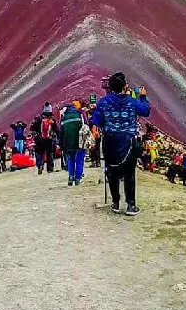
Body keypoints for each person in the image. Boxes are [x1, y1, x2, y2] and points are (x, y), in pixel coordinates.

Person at [91, 73, 151, 216]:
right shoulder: (132, 101)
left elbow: (97, 121)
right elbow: (146, 111)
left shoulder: (103, 102)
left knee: (112, 171)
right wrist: (142, 96)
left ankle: (116, 203)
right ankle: (131, 205)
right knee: (129, 173)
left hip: (109, 140)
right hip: (128, 141)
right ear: (125, 86)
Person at [59, 101, 86, 186]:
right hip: (79, 142)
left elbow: (61, 134)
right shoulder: (79, 116)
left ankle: (71, 176)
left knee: (71, 160)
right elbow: (84, 128)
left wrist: (61, 145)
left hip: (68, 144)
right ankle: (77, 178)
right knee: (79, 160)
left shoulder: (63, 119)